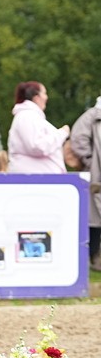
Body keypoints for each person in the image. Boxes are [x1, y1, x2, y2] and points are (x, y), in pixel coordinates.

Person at [68, 94, 101, 271]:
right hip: (96, 175)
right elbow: (78, 139)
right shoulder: (91, 116)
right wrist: (89, 161)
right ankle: (93, 257)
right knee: (93, 220)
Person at [7, 81, 69, 173]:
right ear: (36, 98)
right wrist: (62, 133)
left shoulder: (31, 117)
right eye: (44, 93)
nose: (46, 97)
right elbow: (37, 146)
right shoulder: (27, 116)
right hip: (34, 181)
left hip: (38, 180)